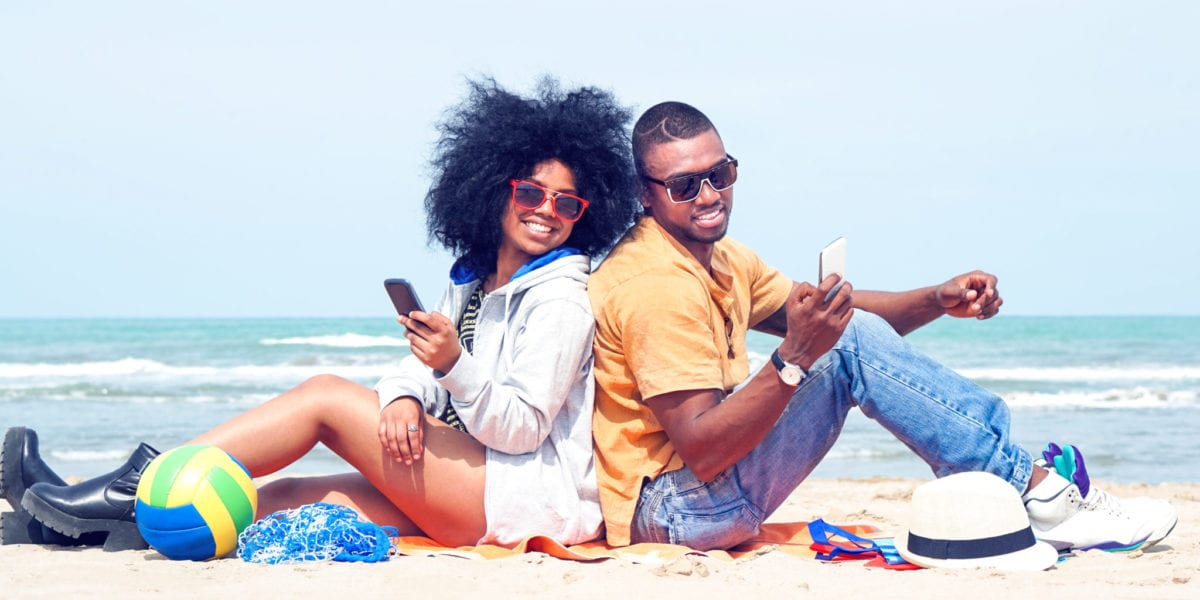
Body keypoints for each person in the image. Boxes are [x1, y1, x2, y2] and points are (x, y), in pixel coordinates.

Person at [2, 78, 639, 551]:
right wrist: (404, 397)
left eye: (568, 204)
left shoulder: (558, 297)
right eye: (531, 192)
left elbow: (523, 427)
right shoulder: (475, 277)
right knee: (267, 501)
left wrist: (453, 367)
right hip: (472, 478)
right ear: (494, 188)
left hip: (517, 497)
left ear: (586, 214)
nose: (546, 210)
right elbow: (419, 368)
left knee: (325, 400)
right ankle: (75, 528)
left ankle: (138, 480)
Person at [587, 101, 1178, 552]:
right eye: (686, 185)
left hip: (697, 494)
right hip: (672, 510)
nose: (710, 195)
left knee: (846, 334)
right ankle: (1033, 489)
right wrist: (793, 360)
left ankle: (1024, 488)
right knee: (845, 345)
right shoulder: (654, 283)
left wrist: (936, 299)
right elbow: (703, 448)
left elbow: (836, 312)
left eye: (722, 173)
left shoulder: (718, 256)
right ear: (646, 193)